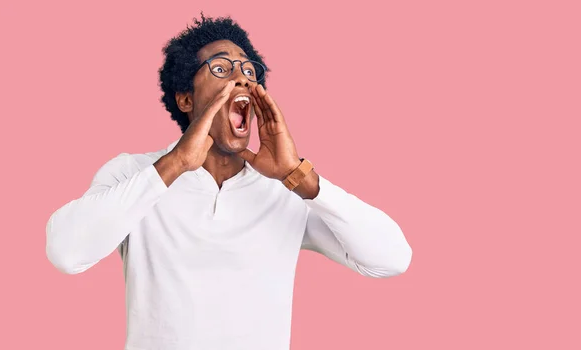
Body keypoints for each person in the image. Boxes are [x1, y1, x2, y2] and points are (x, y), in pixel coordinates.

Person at [45, 13, 413, 350]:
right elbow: (66, 253)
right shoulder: (133, 174)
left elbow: (391, 259)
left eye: (249, 71)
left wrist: (297, 176)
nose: (241, 77)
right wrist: (174, 165)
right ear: (185, 98)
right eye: (220, 68)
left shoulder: (286, 192)